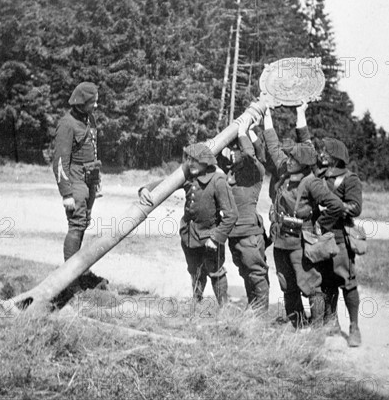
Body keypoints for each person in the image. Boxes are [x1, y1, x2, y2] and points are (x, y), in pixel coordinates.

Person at [263, 103, 343, 328]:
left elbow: (335, 205)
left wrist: (319, 223)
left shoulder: (312, 182)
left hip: (301, 243)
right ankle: (296, 324)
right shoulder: (284, 172)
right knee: (287, 284)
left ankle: (316, 328)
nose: (288, 160)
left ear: (304, 164)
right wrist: (267, 115)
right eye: (289, 158)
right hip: (281, 241)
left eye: (294, 159)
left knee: (310, 285)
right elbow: (272, 146)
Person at [139, 143, 238, 306]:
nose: (190, 163)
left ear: (205, 162)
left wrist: (215, 238)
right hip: (189, 236)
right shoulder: (189, 175)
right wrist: (146, 189)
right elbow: (166, 183)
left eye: (195, 160)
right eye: (189, 159)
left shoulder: (218, 180)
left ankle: (224, 308)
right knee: (195, 271)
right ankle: (196, 303)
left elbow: (231, 214)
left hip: (209, 238)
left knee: (216, 272)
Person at [52, 82, 107, 296]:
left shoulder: (89, 119)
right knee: (76, 223)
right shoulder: (66, 124)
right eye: (92, 102)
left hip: (89, 180)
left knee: (84, 222)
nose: (96, 105)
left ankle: (76, 271)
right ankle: (68, 280)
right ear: (81, 103)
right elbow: (59, 162)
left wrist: (96, 180)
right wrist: (66, 193)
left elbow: (92, 150)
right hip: (74, 179)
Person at [314, 137, 363, 347]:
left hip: (341, 237)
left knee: (347, 282)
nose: (321, 154)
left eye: (326, 152)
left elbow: (356, 207)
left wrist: (334, 207)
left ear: (336, 158)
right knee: (326, 281)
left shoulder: (350, 179)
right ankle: (332, 321)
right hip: (322, 237)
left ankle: (354, 327)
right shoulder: (319, 176)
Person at [219, 118, 270, 312]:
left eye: (236, 149)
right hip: (233, 233)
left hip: (249, 233)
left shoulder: (254, 173)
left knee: (256, 273)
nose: (232, 153)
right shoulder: (232, 172)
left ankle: (261, 314)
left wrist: (243, 132)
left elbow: (252, 154)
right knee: (246, 272)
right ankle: (254, 307)